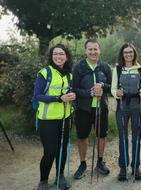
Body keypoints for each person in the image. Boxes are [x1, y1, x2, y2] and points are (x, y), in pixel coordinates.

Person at [34, 44, 76, 190]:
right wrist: (58, 98)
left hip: (65, 117)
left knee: (62, 149)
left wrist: (73, 96)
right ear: (52, 56)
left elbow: (70, 93)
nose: (58, 57)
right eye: (55, 54)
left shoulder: (69, 75)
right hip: (47, 119)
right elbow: (37, 95)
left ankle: (60, 175)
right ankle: (43, 180)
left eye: (61, 54)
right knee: (50, 150)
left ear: (66, 57)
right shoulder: (45, 73)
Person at [73, 39, 112, 179]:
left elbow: (111, 87)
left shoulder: (105, 67)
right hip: (84, 109)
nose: (93, 52)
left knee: (101, 135)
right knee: (82, 136)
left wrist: (102, 86)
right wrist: (90, 93)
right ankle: (83, 164)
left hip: (101, 108)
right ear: (85, 51)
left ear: (99, 50)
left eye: (95, 49)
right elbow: (75, 89)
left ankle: (100, 162)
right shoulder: (79, 67)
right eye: (90, 49)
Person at [111, 43, 141, 181]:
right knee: (123, 138)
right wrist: (117, 93)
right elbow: (113, 89)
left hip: (136, 108)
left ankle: (136, 167)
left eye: (130, 52)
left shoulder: (140, 69)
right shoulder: (117, 69)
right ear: (122, 54)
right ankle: (123, 166)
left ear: (134, 53)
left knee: (136, 138)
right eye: (126, 52)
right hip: (121, 108)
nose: (128, 54)